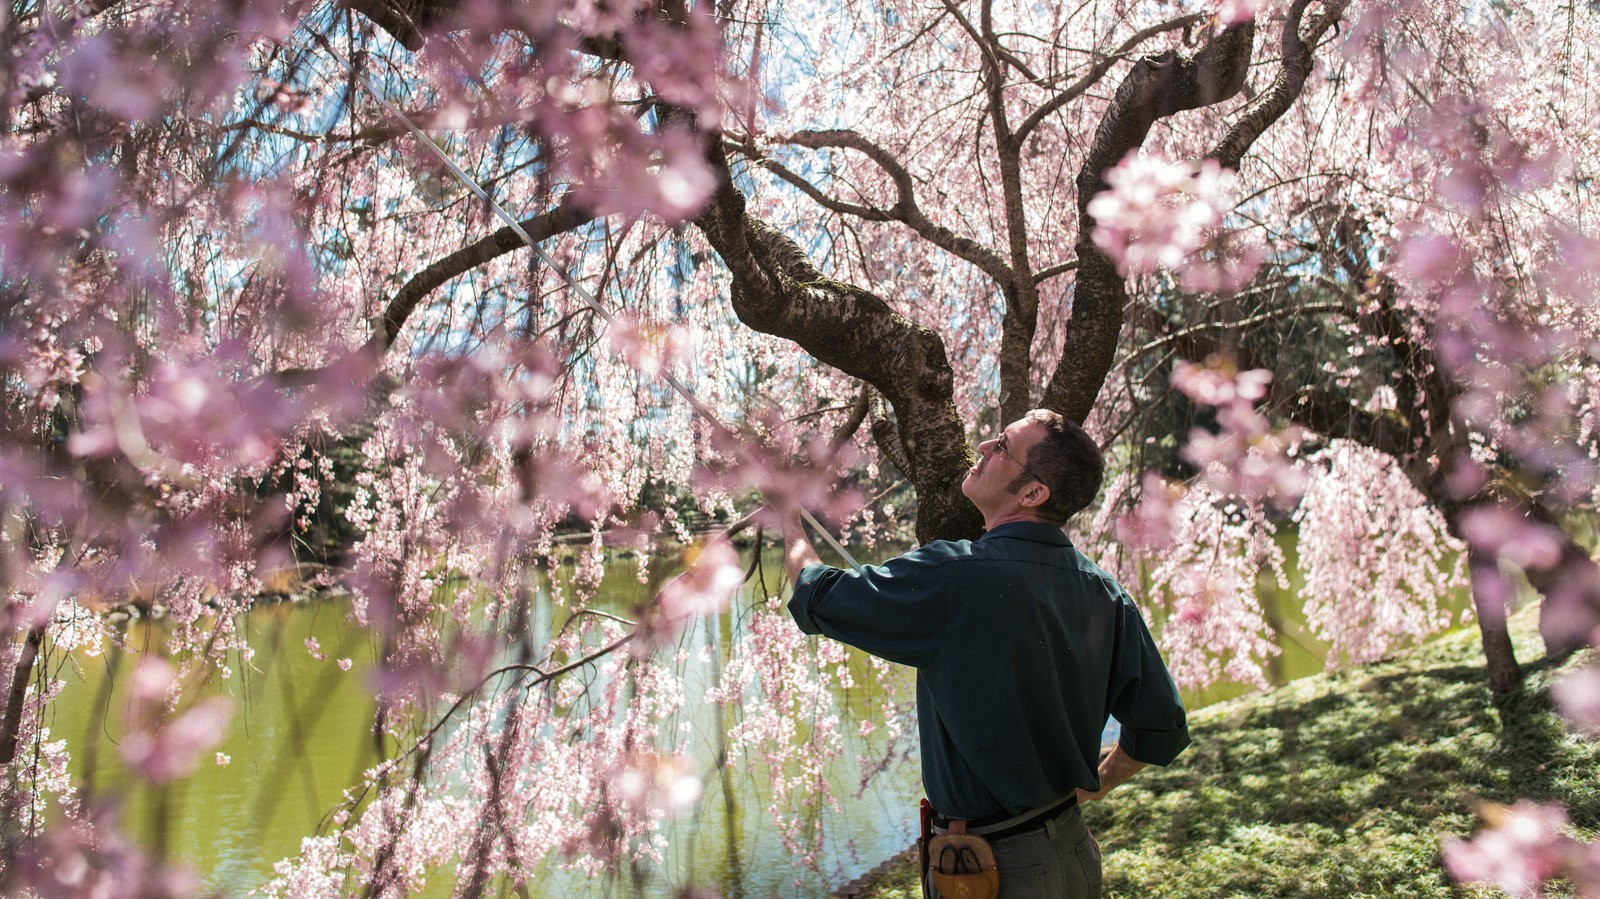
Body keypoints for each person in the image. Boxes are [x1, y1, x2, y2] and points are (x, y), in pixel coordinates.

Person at [782, 409, 1190, 899]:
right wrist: (1093, 787)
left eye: (1001, 445)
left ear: (1033, 493)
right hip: (1074, 852)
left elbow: (816, 595)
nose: (981, 449)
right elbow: (1161, 727)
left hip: (994, 875)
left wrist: (787, 518)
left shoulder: (957, 574)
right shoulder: (1104, 592)